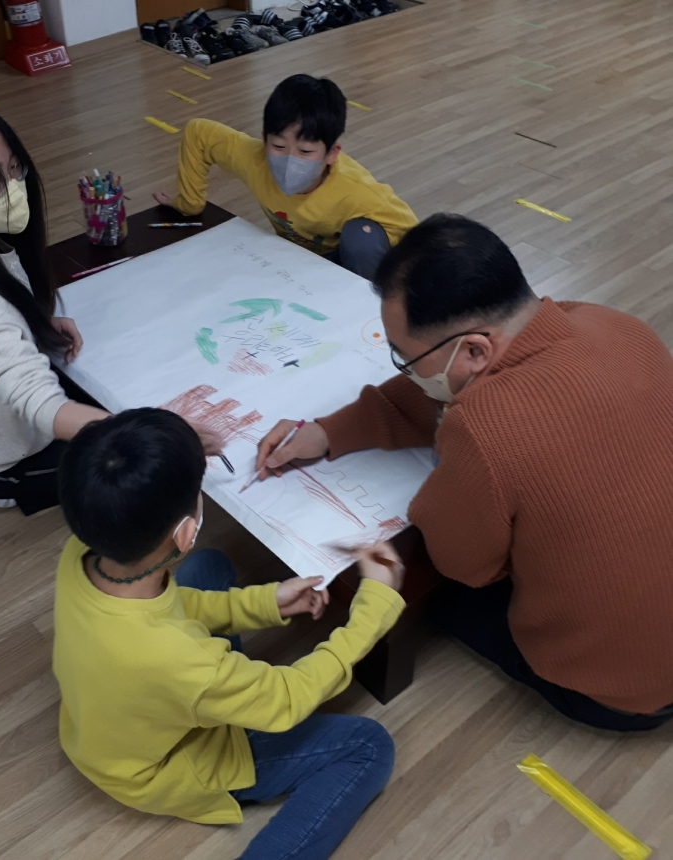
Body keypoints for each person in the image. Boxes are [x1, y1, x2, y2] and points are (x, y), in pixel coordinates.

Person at [255, 213, 673, 732]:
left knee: (428, 586)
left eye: (406, 358)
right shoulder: (616, 325)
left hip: (619, 692)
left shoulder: (484, 428)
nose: (406, 372)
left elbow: (466, 566)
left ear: (475, 348)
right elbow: (453, 390)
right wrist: (329, 431)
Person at [53, 408, 406, 860]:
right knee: (368, 747)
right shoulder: (182, 661)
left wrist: (266, 603)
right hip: (168, 765)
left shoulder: (81, 552)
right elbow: (287, 698)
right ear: (185, 532)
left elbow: (167, 611)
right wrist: (373, 605)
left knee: (210, 567)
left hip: (108, 724)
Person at [0, 93, 219, 516]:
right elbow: (41, 404)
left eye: (15, 168)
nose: (14, 187)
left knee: (105, 409)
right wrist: (160, 436)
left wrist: (34, 321)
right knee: (137, 463)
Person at [153, 74, 417, 280]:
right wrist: (188, 203)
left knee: (362, 237)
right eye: (278, 146)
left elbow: (415, 236)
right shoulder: (252, 158)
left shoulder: (358, 191)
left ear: (332, 153)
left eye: (305, 152)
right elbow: (198, 133)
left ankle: (368, 308)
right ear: (264, 139)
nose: (290, 161)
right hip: (291, 259)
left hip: (342, 259)